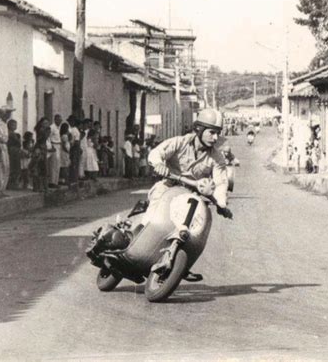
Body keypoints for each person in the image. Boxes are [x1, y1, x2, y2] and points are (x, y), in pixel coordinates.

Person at [87, 109, 232, 280]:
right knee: (153, 217)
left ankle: (183, 265)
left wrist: (221, 203)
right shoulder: (179, 142)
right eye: (212, 132)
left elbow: (221, 182)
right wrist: (158, 164)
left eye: (218, 134)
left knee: (196, 230)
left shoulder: (217, 157)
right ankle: (134, 241)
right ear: (199, 129)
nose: (215, 138)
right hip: (169, 187)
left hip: (192, 196)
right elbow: (156, 153)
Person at [6, 119, 21, 189]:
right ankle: (11, 184)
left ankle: (14, 183)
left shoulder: (14, 133)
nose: (15, 126)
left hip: (15, 152)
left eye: (15, 125)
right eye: (13, 125)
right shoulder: (10, 133)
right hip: (12, 151)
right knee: (12, 167)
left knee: (16, 167)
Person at [48, 114, 62, 188]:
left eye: (61, 120)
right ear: (55, 119)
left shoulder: (58, 128)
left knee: (58, 165)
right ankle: (52, 182)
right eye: (59, 120)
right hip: (54, 145)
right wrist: (51, 146)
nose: (60, 121)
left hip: (58, 146)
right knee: (53, 165)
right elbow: (49, 137)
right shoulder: (52, 127)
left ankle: (56, 181)